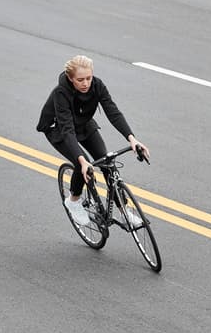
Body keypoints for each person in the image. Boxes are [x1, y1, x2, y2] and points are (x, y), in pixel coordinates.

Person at [37, 55, 148, 226]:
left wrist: (132, 138)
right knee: (84, 164)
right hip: (58, 128)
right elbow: (67, 130)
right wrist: (82, 161)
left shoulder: (97, 85)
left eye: (88, 78)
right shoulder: (61, 93)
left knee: (106, 161)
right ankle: (73, 201)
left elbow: (113, 112)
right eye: (80, 80)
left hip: (83, 123)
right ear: (70, 78)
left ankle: (123, 211)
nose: (86, 83)